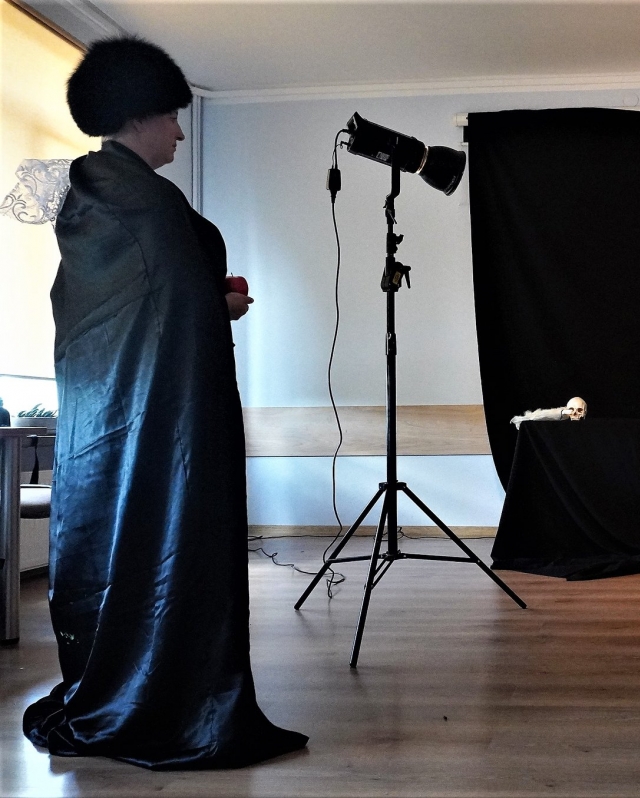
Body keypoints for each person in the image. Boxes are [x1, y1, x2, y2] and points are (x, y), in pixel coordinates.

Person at [22, 37, 306, 769]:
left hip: (99, 424)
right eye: (172, 117)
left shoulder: (84, 196)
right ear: (138, 115)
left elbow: (116, 314)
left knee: (113, 538)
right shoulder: (148, 204)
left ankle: (107, 684)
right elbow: (173, 310)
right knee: (173, 534)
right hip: (165, 422)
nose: (180, 131)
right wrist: (222, 306)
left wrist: (203, 299)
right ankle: (169, 702)